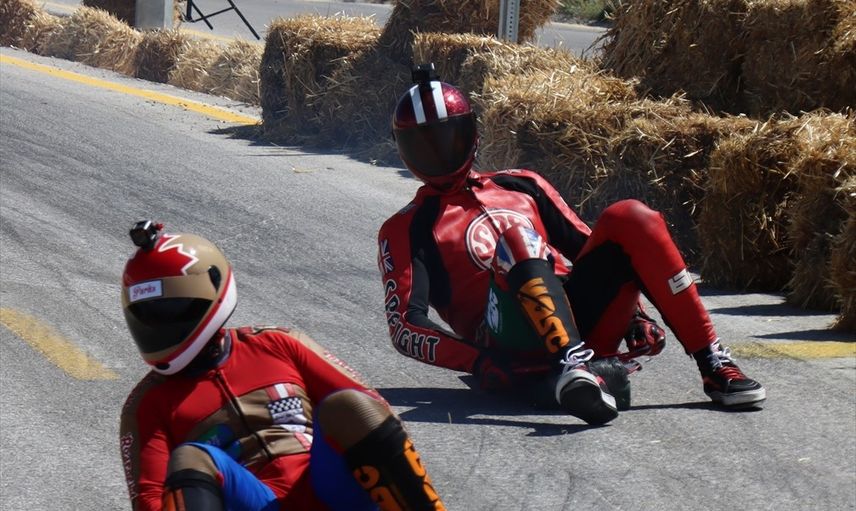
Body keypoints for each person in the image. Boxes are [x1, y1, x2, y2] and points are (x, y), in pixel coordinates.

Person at [377, 65, 766, 426]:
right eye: (424, 146)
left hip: (576, 317)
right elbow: (405, 325)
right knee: (517, 239)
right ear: (404, 151)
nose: (440, 154)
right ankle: (573, 368)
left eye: (449, 138)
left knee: (632, 216)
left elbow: (590, 247)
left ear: (472, 133)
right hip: (506, 340)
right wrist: (480, 362)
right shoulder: (405, 227)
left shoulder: (522, 184)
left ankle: (713, 362)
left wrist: (637, 317)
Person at [119, 220, 445, 511]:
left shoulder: (278, 343)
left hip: (328, 491)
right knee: (191, 457)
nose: (158, 325)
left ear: (213, 291)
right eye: (146, 315)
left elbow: (377, 416)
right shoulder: (146, 404)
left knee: (350, 405)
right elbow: (149, 503)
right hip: (250, 501)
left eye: (169, 310)